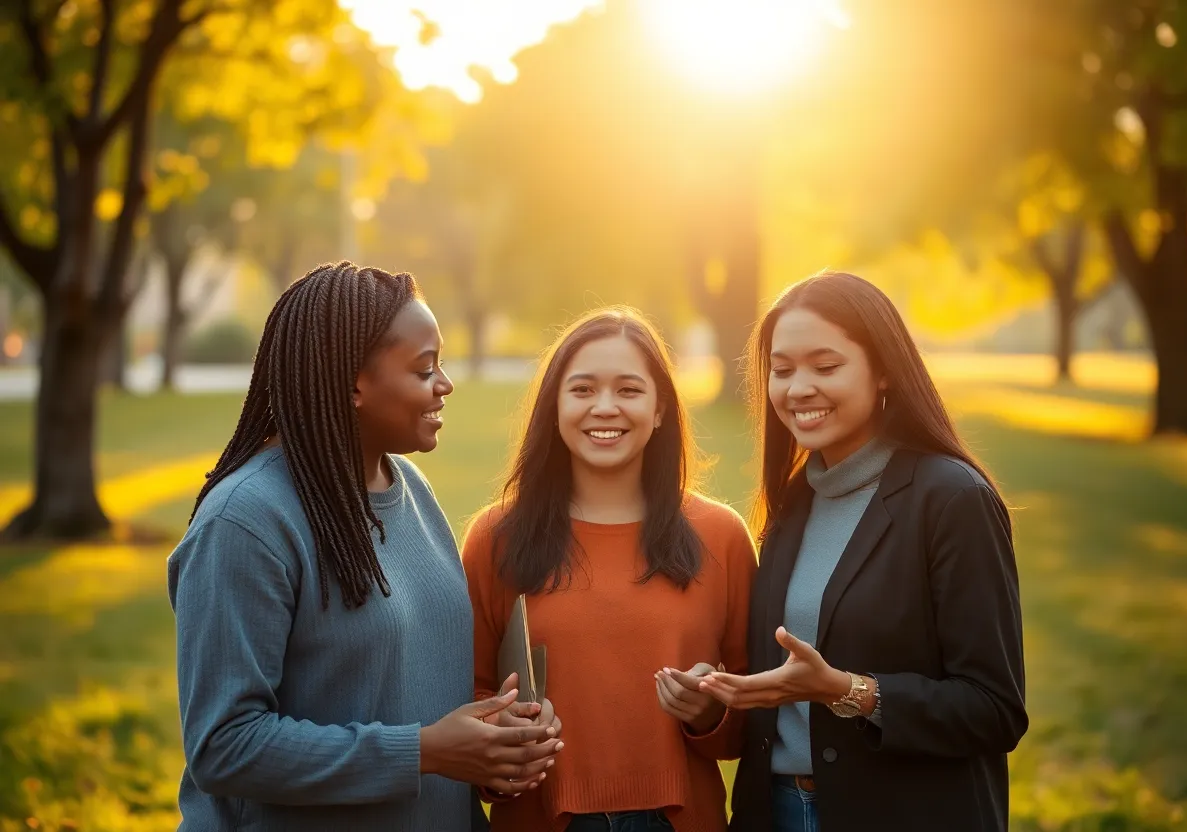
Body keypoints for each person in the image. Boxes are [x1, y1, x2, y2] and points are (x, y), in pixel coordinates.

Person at [168, 262, 561, 832]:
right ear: (354, 382)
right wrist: (425, 751)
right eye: (425, 369)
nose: (445, 385)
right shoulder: (246, 522)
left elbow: (414, 693)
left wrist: (490, 746)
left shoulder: (411, 489)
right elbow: (223, 745)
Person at [699, 272, 1027, 831]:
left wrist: (849, 692)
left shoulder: (952, 500)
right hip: (775, 812)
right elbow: (780, 687)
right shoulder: (792, 502)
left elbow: (994, 709)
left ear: (883, 372)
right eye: (781, 370)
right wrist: (711, 693)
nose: (798, 387)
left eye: (825, 367)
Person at [461, 307, 757, 832]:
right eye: (582, 390)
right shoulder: (496, 537)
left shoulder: (721, 536)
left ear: (661, 407)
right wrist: (501, 731)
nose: (604, 407)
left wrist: (710, 710)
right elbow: (466, 702)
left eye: (628, 390)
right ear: (554, 405)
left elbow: (754, 720)